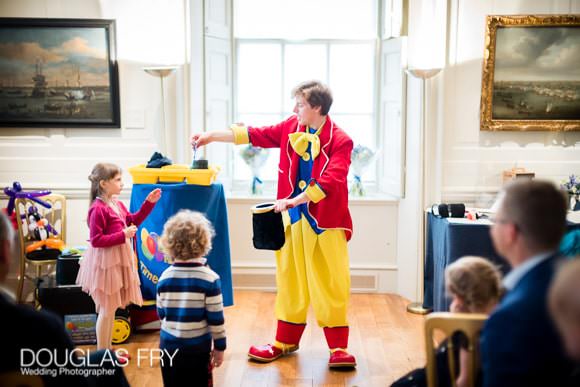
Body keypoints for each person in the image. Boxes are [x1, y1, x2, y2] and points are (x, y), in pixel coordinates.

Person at [191, 80, 356, 368]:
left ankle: (338, 347)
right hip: (293, 222)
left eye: (301, 104)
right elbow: (255, 134)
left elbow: (332, 179)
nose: (295, 109)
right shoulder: (292, 127)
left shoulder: (341, 140)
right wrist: (210, 136)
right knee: (289, 279)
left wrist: (296, 200)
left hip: (325, 222)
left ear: (317, 107)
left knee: (330, 282)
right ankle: (285, 341)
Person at [481, 180, 575, 387]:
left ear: (511, 232)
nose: (492, 228)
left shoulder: (511, 317)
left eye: (496, 221)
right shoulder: (569, 279)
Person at [77, 162, 161, 350]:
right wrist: (123, 235)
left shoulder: (116, 203)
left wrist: (149, 203)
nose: (122, 183)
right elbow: (97, 240)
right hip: (106, 263)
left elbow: (133, 220)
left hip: (118, 260)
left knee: (112, 309)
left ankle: (107, 350)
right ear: (104, 184)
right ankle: (102, 353)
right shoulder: (98, 208)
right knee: (106, 310)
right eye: (118, 180)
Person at [391, 256, 502, 387]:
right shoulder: (500, 317)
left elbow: (464, 382)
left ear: (462, 299)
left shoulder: (470, 331)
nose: (452, 304)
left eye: (454, 298)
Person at [156, 210, 226, 387]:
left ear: (169, 244)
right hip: (197, 348)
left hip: (168, 346)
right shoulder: (210, 279)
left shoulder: (164, 277)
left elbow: (162, 313)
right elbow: (216, 320)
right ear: (204, 242)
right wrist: (219, 348)